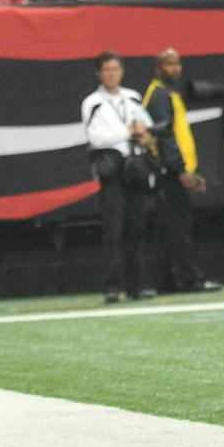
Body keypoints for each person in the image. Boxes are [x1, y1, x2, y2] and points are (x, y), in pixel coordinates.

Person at [143, 47, 224, 294]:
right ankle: (190, 278)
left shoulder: (170, 94)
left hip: (175, 170)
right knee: (178, 229)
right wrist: (180, 171)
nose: (174, 69)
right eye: (168, 64)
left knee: (170, 228)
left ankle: (168, 281)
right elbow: (165, 137)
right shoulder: (158, 96)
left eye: (177, 64)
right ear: (158, 68)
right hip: (170, 173)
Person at [82, 52, 155, 303]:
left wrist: (142, 135)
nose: (112, 74)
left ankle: (137, 285)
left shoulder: (132, 97)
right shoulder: (93, 103)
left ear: (122, 71)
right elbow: (96, 138)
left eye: (115, 69)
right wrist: (126, 131)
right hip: (111, 169)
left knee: (136, 228)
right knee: (113, 230)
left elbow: (146, 124)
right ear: (99, 73)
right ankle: (112, 286)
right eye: (107, 70)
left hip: (134, 167)